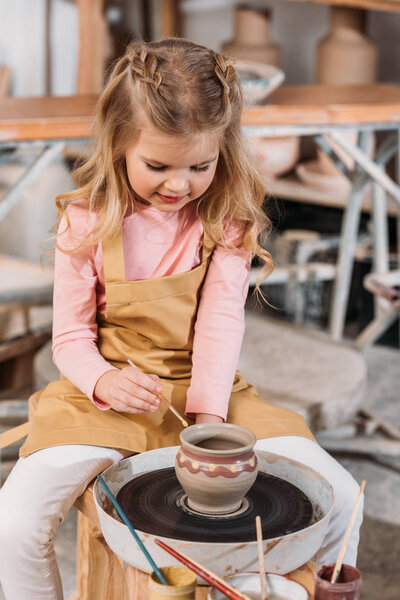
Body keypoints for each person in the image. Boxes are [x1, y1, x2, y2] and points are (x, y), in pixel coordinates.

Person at [0, 38, 363, 600]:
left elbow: (220, 327)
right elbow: (69, 337)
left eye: (201, 165)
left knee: (340, 495)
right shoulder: (86, 221)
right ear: (120, 143)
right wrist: (103, 380)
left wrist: (208, 424)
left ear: (224, 150)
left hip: (208, 393)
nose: (179, 185)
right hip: (108, 393)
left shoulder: (227, 220)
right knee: (15, 522)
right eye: (157, 165)